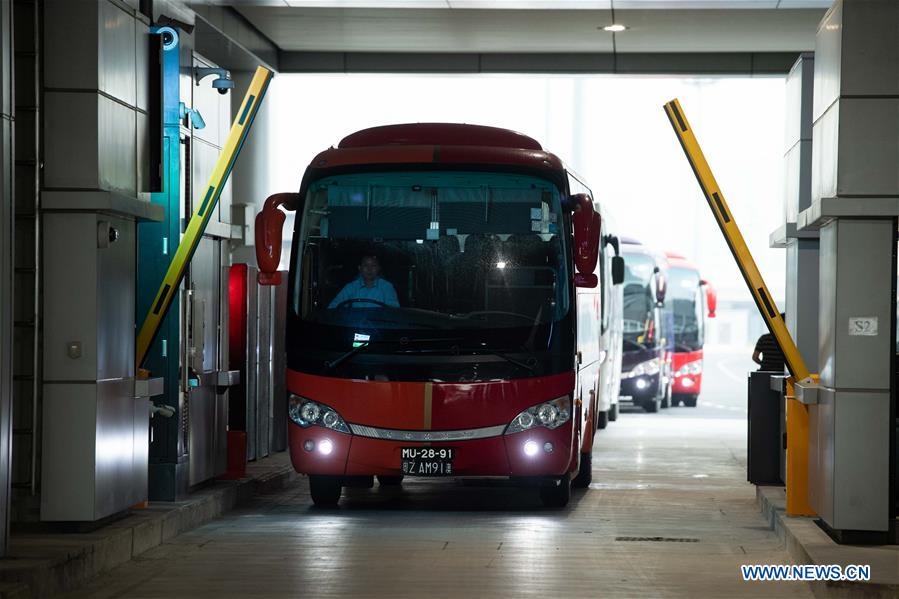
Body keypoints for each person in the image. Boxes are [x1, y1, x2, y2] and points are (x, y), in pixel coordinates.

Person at [328, 254, 399, 309]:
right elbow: (333, 308)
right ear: (360, 268)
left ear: (378, 268)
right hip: (354, 325)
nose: (369, 269)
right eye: (366, 265)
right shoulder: (350, 287)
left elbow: (394, 311)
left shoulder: (387, 287)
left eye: (373, 266)